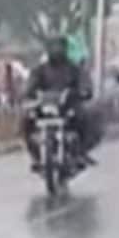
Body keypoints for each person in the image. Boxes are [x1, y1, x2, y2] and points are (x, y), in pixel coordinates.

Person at [23, 36, 92, 170]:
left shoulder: (74, 68)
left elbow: (84, 83)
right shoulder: (40, 70)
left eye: (59, 46)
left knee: (83, 117)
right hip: (45, 106)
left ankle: (80, 153)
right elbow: (30, 85)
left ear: (65, 49)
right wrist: (27, 93)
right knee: (26, 120)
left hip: (68, 106)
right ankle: (35, 155)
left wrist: (84, 91)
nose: (56, 50)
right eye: (52, 47)